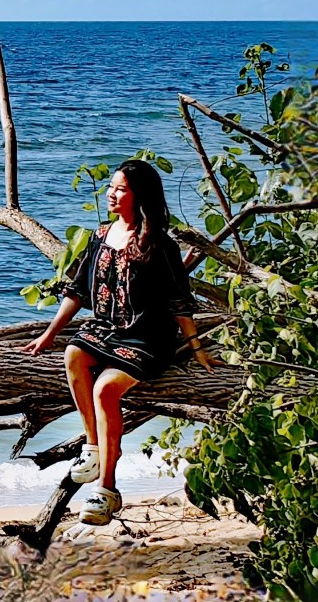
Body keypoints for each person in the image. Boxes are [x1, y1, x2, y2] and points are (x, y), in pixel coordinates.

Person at [24, 160, 214, 524]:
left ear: (139, 196)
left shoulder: (159, 244)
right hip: (106, 329)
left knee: (106, 391)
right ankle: (93, 448)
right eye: (111, 187)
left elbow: (179, 301)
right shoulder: (100, 236)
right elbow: (77, 290)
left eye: (120, 189)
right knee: (73, 353)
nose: (111, 194)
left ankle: (107, 490)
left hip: (149, 335)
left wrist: (196, 348)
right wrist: (48, 333)